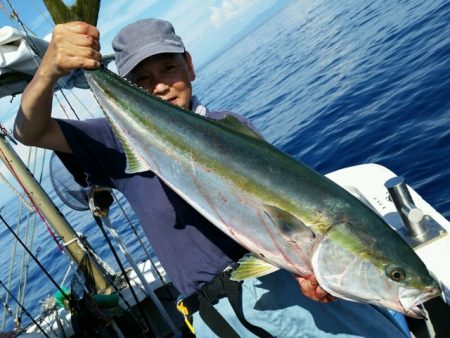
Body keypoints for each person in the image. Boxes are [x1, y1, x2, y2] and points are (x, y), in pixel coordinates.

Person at [14, 18, 411, 337]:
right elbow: (29, 132)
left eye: (168, 67)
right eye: (142, 79)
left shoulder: (232, 127)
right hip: (214, 321)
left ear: (189, 64)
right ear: (131, 86)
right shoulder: (114, 138)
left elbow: (276, 220)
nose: (161, 86)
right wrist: (49, 68)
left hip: (281, 292)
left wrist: (312, 272)